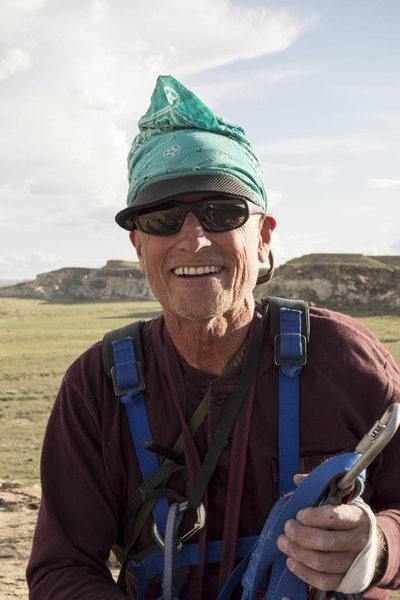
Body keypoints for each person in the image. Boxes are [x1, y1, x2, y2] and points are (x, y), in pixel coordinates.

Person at [27, 75, 400, 600]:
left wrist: (380, 546)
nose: (193, 238)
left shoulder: (344, 359)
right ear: (138, 245)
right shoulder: (97, 384)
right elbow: (61, 567)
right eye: (162, 217)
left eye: (222, 212)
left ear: (264, 237)